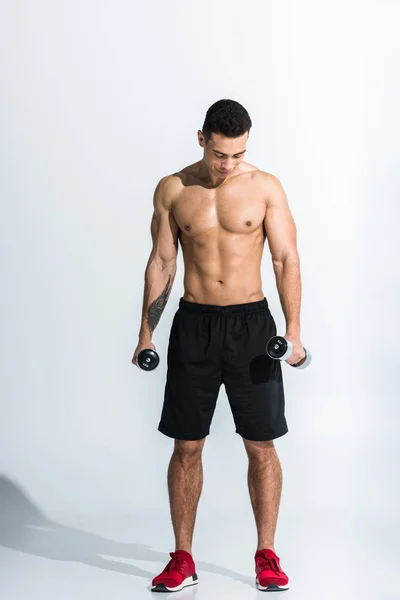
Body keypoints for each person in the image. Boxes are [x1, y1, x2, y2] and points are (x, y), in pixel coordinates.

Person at [132, 99, 305, 593]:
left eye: (238, 154)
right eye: (221, 154)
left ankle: (266, 555)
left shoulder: (265, 187)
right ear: (202, 138)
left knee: (261, 444)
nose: (229, 165)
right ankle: (182, 558)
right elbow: (162, 262)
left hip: (253, 328)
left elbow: (286, 258)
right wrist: (146, 331)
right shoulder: (173, 189)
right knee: (186, 445)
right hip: (195, 326)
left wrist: (293, 331)